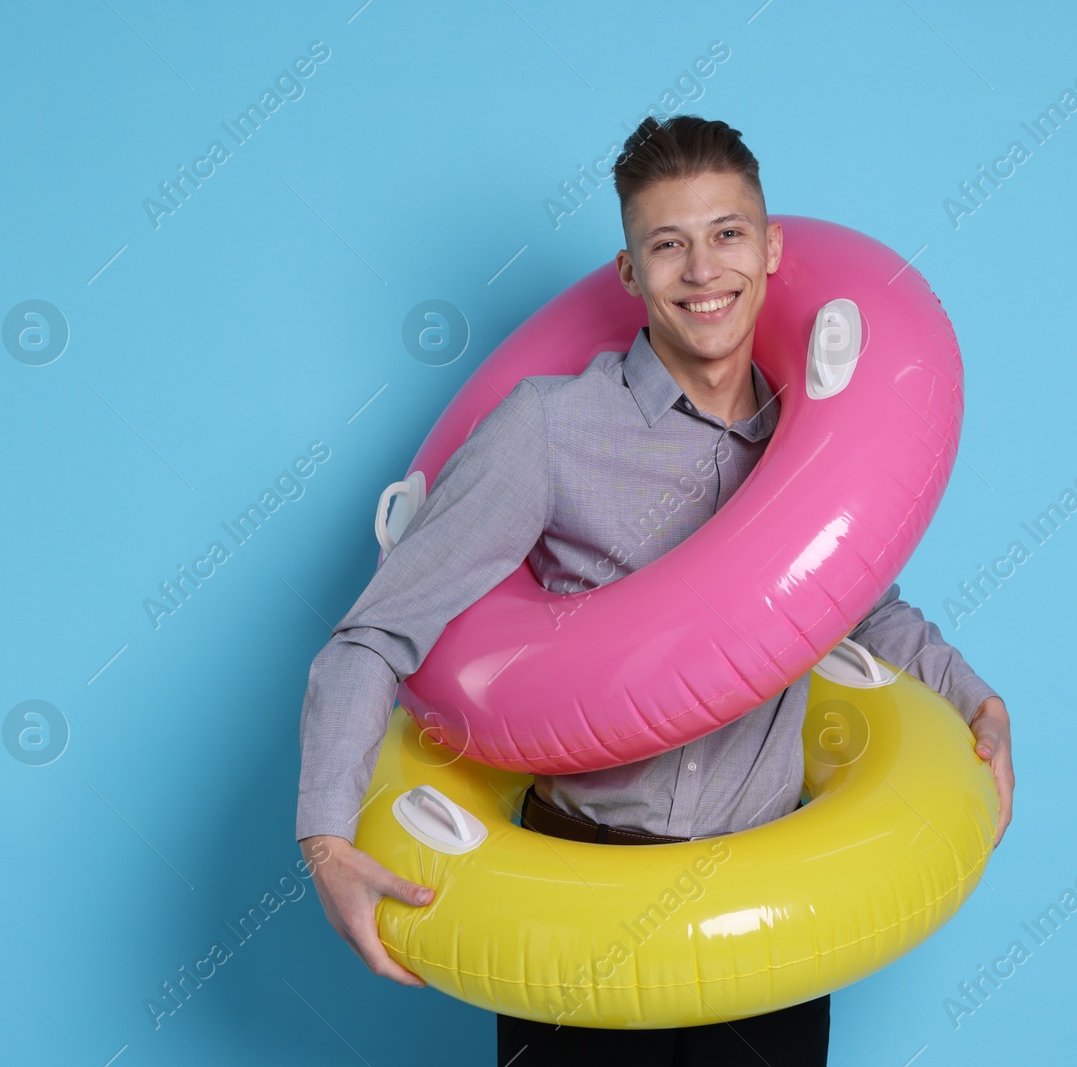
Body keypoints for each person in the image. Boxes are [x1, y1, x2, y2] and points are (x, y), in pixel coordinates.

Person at [296, 114, 1015, 1067]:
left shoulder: (805, 439)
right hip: (576, 896)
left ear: (770, 249)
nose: (703, 270)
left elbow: (854, 601)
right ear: (631, 273)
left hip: (767, 895)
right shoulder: (549, 430)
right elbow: (376, 633)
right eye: (667, 244)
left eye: (725, 234)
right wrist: (326, 843)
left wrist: (975, 698)